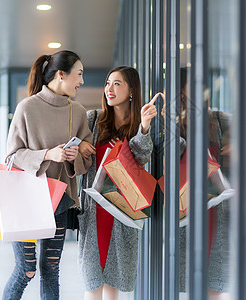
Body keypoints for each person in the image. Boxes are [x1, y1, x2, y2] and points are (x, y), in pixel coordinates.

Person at [3, 50, 93, 300]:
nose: (82, 81)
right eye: (79, 74)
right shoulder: (27, 108)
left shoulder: (78, 112)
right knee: (26, 270)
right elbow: (11, 157)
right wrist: (47, 155)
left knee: (51, 270)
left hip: (60, 202)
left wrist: (77, 155)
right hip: (27, 202)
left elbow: (86, 161)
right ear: (61, 74)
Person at [77, 66, 160, 300]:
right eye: (107, 83)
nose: (109, 89)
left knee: (114, 280)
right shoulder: (93, 120)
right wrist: (80, 148)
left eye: (117, 84)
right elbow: (79, 163)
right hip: (94, 210)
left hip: (121, 211)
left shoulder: (137, 126)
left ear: (131, 91)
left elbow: (141, 159)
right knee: (92, 281)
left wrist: (144, 126)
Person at [166, 67, 231, 299]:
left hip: (215, 207)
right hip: (184, 206)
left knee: (215, 280)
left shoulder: (219, 120)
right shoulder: (168, 120)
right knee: (187, 276)